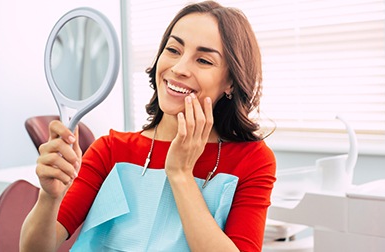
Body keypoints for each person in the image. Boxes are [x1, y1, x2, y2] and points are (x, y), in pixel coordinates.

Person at [20, 1, 276, 251]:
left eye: (203, 61)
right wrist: (49, 197)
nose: (178, 68)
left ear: (230, 82)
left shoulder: (252, 161)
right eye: (173, 50)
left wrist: (180, 174)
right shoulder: (110, 150)